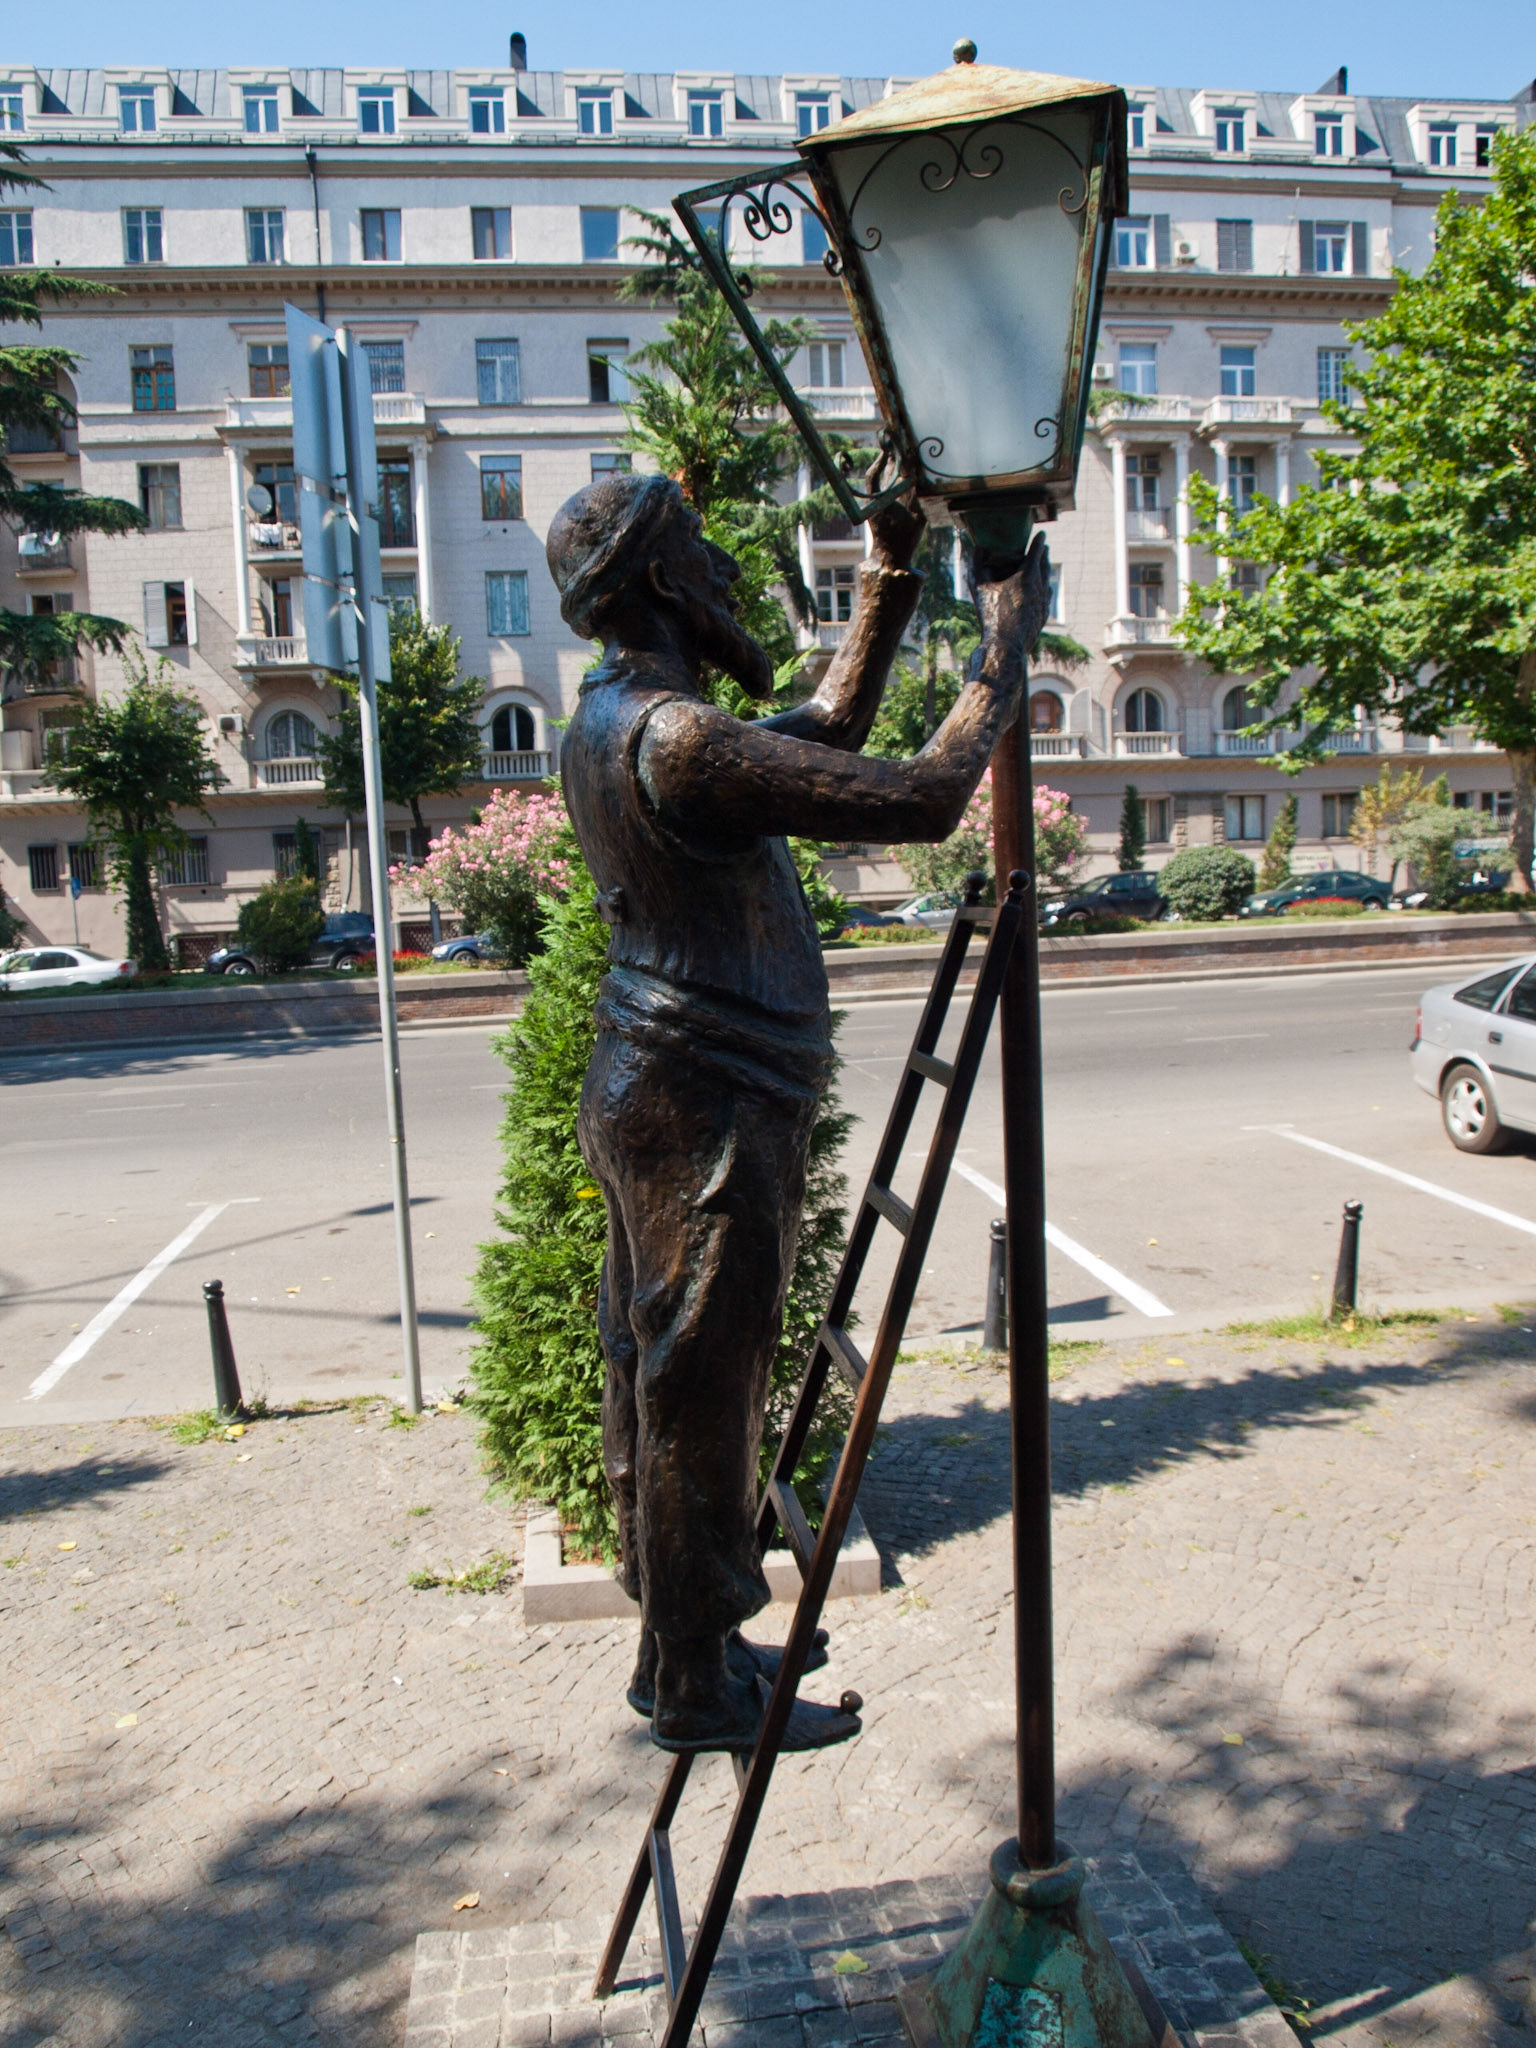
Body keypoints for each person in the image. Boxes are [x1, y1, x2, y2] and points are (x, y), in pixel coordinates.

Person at [547, 469, 1048, 1753]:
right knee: (701, 1387)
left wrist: (888, 569)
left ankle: (685, 1642)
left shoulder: (627, 719)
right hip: (706, 1091)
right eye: (701, 549)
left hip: (669, 1078)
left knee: (667, 1374)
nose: (722, 568)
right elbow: (925, 797)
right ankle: (697, 1687)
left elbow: (826, 720)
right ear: (660, 580)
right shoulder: (681, 739)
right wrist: (1003, 645)